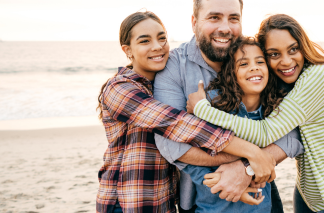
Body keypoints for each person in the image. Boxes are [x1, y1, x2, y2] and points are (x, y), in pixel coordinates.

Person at [187, 14, 324, 213]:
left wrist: (202, 109)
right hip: (310, 191)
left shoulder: (320, 76)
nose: (286, 61)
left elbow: (264, 133)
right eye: (274, 54)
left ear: (303, 45)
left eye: (293, 49)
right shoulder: (287, 83)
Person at [95, 11, 276, 213]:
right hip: (127, 202)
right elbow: (176, 124)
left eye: (162, 38)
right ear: (128, 50)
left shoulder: (161, 84)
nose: (157, 46)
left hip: (164, 201)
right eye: (145, 41)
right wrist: (251, 153)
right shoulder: (120, 88)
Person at [153, 0, 304, 213]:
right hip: (200, 198)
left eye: (233, 18)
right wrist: (247, 157)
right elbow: (171, 143)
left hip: (259, 189)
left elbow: (293, 130)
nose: (225, 28)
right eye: (214, 17)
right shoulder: (174, 67)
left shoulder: (257, 59)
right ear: (194, 22)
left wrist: (246, 168)